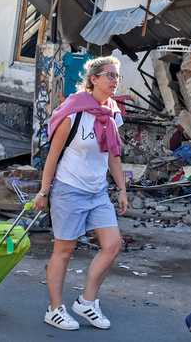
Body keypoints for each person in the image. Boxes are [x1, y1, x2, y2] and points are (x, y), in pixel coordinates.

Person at [34, 56, 129, 331]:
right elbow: (52, 156)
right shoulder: (74, 113)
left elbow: (113, 155)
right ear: (94, 79)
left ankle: (87, 302)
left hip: (97, 192)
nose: (114, 81)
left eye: (117, 76)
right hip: (69, 190)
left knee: (112, 245)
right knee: (64, 250)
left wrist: (121, 189)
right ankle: (54, 309)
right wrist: (44, 191)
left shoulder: (112, 113)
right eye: (110, 75)